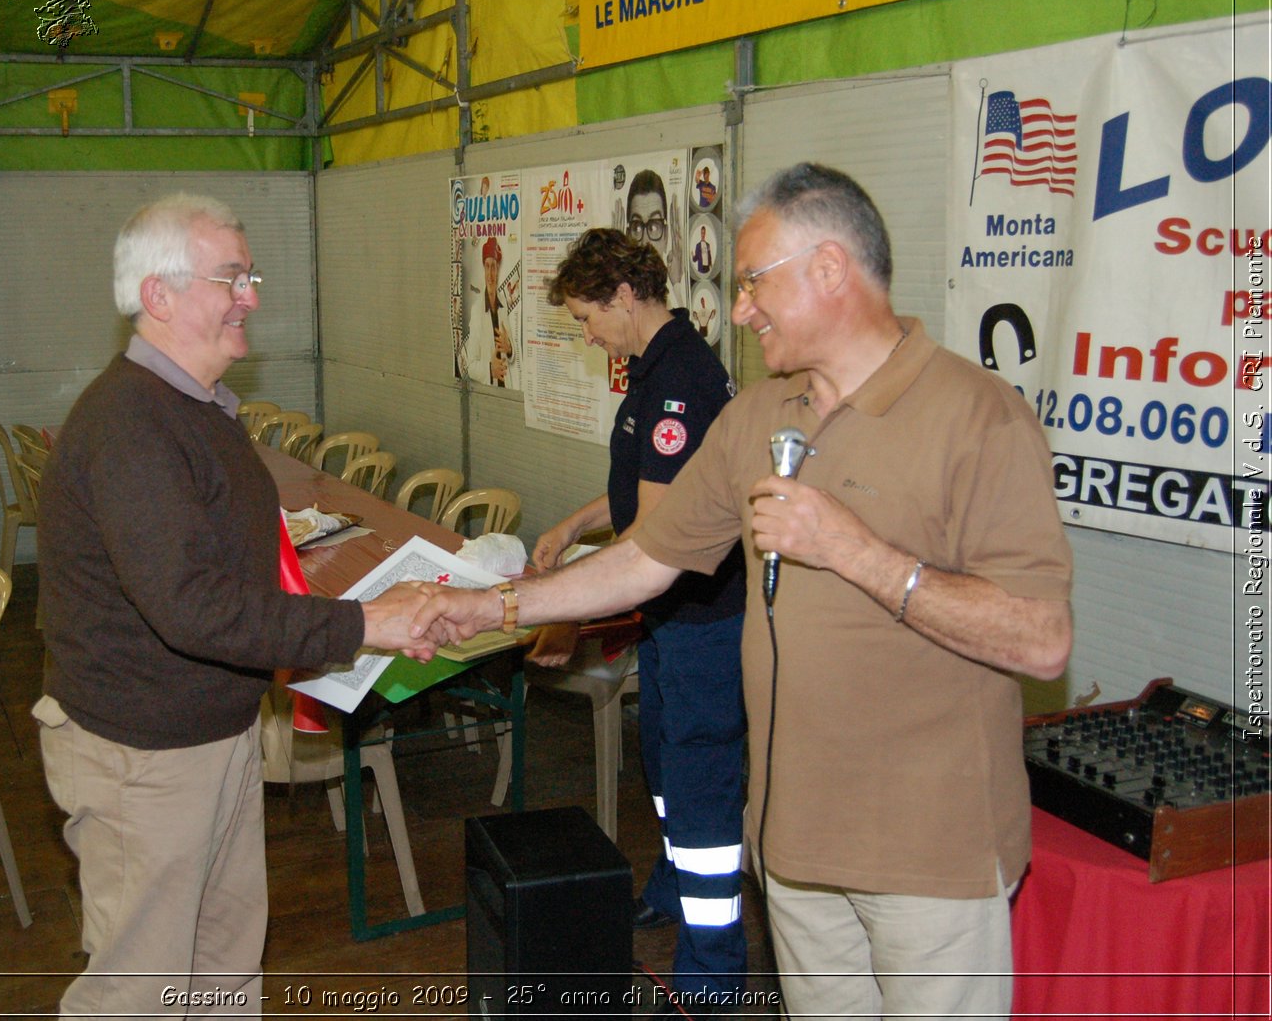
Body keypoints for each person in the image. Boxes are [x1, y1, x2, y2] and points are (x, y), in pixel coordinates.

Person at [413, 163, 1073, 1020]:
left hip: (930, 860)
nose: (743, 307)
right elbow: (647, 558)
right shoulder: (760, 416)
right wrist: (496, 608)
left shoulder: (979, 418)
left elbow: (1041, 638)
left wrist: (857, 552)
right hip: (794, 849)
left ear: (831, 269)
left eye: (757, 281)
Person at [33, 193, 432, 1018]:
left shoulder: (192, 408)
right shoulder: (131, 425)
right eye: (231, 277)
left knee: (221, 970)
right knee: (137, 992)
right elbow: (192, 607)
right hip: (143, 760)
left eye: (249, 274)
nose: (251, 294)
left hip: (205, 735)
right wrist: (365, 623)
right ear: (160, 295)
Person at [530, 228, 748, 1006]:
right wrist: (570, 525)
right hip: (668, 627)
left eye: (588, 317)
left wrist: (566, 617)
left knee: (702, 795)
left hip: (703, 628)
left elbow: (649, 538)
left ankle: (714, 976)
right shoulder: (653, 370)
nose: (587, 335)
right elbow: (641, 487)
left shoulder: (682, 381)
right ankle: (669, 882)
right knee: (664, 767)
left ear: (625, 297)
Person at [462, 235, 513, 386]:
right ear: (483, 268)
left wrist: (509, 348)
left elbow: (511, 351)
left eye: (494, 267)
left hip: (507, 389)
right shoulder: (477, 310)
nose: (490, 274)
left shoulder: (503, 305)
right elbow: (470, 366)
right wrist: (490, 370)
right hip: (490, 391)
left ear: (498, 270)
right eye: (487, 266)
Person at [626, 169, 683, 289]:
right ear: (627, 236)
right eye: (637, 228)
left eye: (653, 227)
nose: (645, 241)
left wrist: (677, 286)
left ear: (666, 236)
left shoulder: (673, 300)